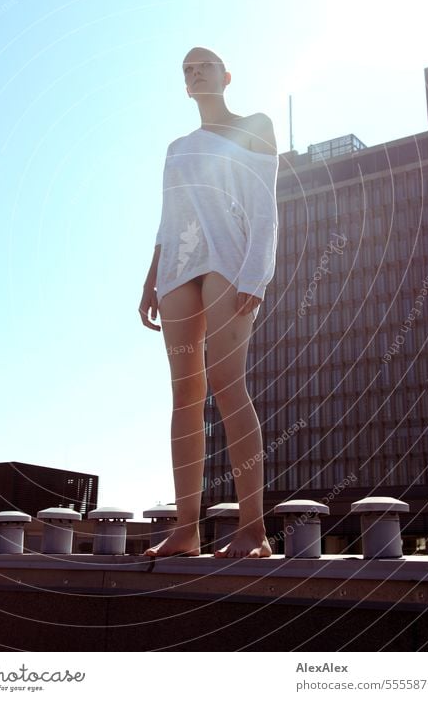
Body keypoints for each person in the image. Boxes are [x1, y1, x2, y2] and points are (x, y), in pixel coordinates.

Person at [138, 46, 279, 558]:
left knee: (227, 386)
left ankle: (253, 531)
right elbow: (168, 217)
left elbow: (265, 207)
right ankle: (185, 529)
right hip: (179, 266)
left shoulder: (256, 124)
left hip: (229, 262)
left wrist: (256, 275)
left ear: (226, 75)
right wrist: (151, 277)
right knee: (184, 397)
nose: (195, 74)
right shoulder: (177, 147)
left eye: (204, 67)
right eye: (188, 70)